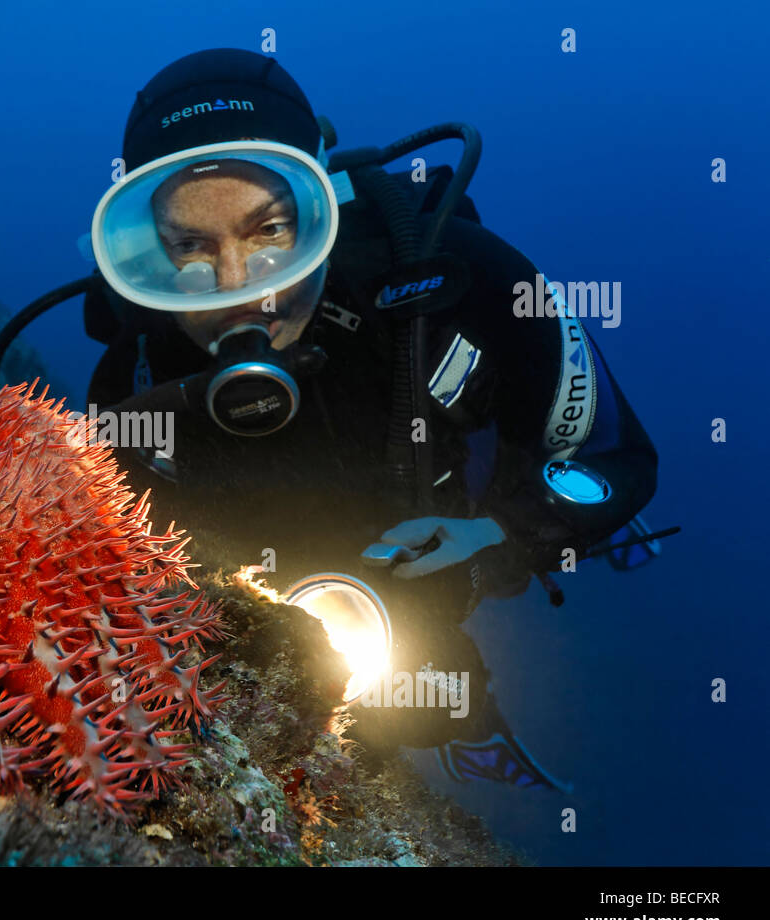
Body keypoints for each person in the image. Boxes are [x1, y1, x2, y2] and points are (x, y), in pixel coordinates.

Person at [67, 49, 660, 782]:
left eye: (270, 230)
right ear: (144, 250)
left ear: (325, 203)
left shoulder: (466, 283)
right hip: (256, 590)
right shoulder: (134, 371)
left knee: (429, 704)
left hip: (427, 565)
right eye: (189, 246)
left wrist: (497, 532)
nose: (237, 289)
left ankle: (472, 728)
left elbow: (620, 461)